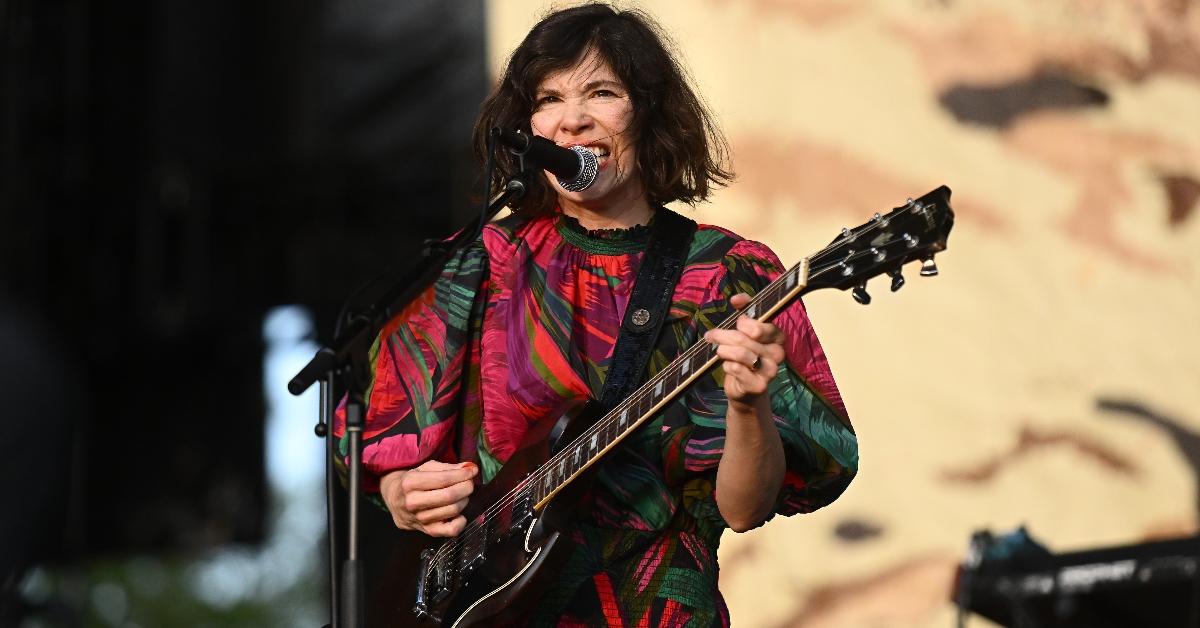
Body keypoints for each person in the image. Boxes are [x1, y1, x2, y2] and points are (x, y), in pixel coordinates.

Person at [332, 3, 858, 625]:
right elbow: (372, 429)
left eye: (601, 93)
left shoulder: (724, 273)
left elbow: (743, 510)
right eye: (548, 98)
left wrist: (749, 407)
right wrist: (401, 492)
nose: (571, 120)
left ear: (649, 115)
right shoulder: (483, 263)